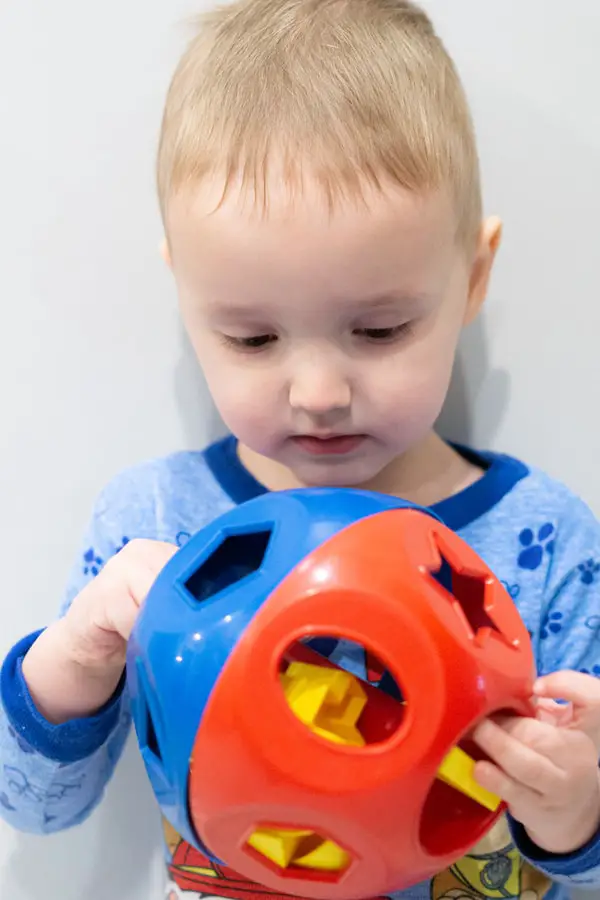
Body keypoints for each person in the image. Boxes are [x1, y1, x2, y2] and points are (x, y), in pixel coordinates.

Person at [2, 1, 600, 898]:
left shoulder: (540, 539)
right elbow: (38, 812)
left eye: (379, 327)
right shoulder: (154, 526)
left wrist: (575, 813)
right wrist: (73, 662)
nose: (317, 391)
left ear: (472, 279)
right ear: (185, 292)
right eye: (252, 340)